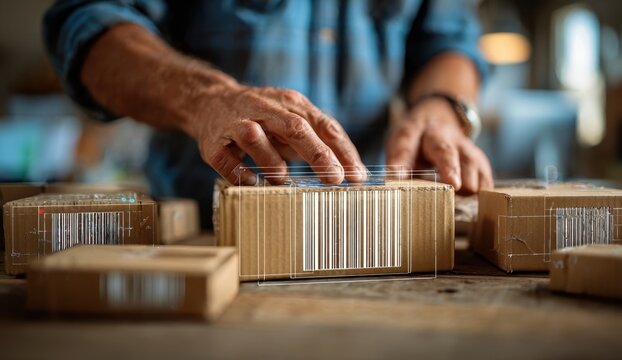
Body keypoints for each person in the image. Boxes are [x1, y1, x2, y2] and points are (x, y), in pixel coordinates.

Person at [43, 0, 493, 225]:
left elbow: (449, 41)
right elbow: (86, 21)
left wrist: (443, 106)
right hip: (202, 233)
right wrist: (205, 99)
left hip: (370, 235)